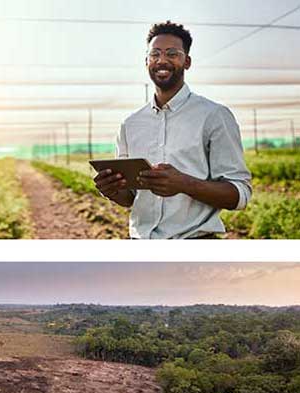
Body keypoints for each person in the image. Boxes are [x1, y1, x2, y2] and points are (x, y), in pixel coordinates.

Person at [94, 21, 252, 239]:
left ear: (186, 61)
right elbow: (130, 198)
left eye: (172, 54)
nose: (162, 60)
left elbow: (239, 195)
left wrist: (184, 183)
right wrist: (111, 190)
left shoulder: (213, 116)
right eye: (155, 54)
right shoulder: (130, 124)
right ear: (146, 61)